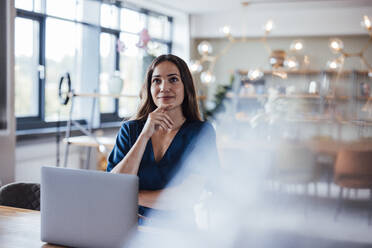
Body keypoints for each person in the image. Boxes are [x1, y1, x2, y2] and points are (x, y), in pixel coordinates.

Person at [106, 54, 219, 221]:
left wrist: (131, 197)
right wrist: (144, 136)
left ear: (185, 87)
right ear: (149, 88)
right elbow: (113, 186)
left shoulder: (201, 133)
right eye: (156, 80)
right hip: (128, 227)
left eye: (173, 79)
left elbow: (187, 196)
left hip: (176, 232)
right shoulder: (130, 130)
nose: (164, 87)